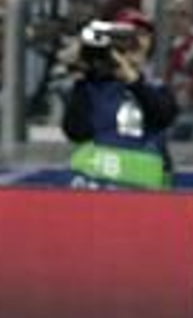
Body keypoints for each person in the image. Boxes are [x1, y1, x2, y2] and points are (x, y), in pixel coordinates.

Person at [61, 13, 179, 189]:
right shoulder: (91, 88)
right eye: (127, 39)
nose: (137, 43)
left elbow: (164, 116)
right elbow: (76, 131)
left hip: (145, 192)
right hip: (95, 186)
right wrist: (82, 73)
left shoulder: (156, 88)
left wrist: (132, 79)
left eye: (143, 35)